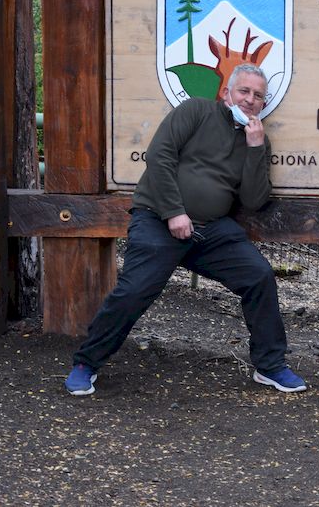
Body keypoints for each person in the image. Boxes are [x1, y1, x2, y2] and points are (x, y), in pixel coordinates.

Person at [64, 63, 306, 396]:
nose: (250, 100)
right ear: (226, 93)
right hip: (159, 219)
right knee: (135, 290)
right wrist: (174, 212)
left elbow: (253, 200)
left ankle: (270, 366)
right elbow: (159, 155)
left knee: (258, 275)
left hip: (211, 230)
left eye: (258, 96)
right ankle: (86, 364)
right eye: (244, 91)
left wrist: (255, 148)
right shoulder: (196, 111)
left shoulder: (257, 140)